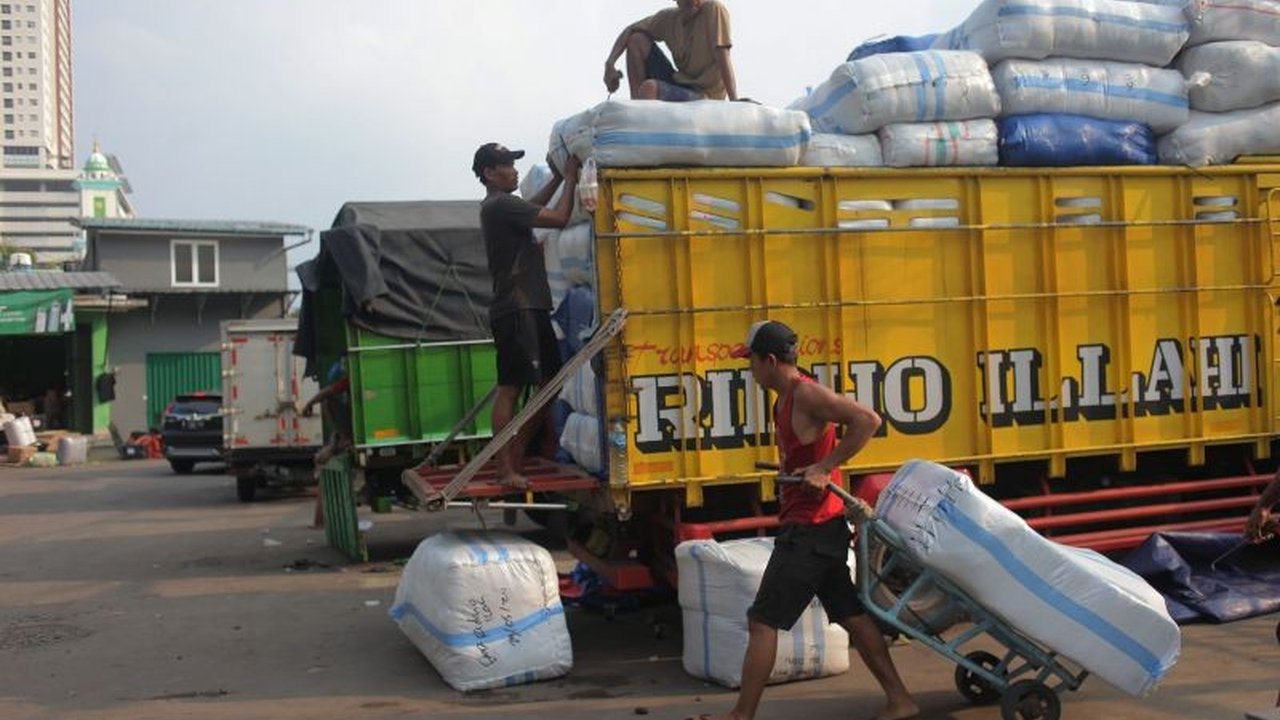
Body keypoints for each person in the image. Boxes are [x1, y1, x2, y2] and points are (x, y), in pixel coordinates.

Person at [694, 320, 917, 720]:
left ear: (771, 360)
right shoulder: (784, 399)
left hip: (810, 530)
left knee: (762, 621)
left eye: (752, 363)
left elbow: (868, 420)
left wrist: (825, 466)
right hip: (823, 526)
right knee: (851, 615)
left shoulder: (808, 394)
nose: (750, 371)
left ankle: (740, 716)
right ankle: (900, 699)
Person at [473, 142, 581, 490]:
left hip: (531, 306)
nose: (515, 170)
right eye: (506, 165)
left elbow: (533, 206)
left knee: (550, 384)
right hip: (516, 308)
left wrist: (557, 178)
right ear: (490, 173)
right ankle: (505, 469)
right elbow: (561, 218)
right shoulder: (499, 205)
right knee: (511, 389)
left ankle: (514, 457)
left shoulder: (504, 207)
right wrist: (573, 180)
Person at [603, 0, 738, 102]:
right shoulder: (669, 19)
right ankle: (637, 106)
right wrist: (610, 64)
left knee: (649, 88)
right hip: (681, 83)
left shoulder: (713, 10)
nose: (694, 2)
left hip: (705, 95)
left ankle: (644, 122)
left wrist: (734, 101)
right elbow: (630, 30)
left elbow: (723, 55)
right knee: (636, 39)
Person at [300, 361, 352, 529]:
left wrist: (309, 404)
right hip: (342, 438)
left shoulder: (348, 382)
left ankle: (321, 521)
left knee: (323, 463)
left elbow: (327, 392)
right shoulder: (343, 391)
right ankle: (321, 520)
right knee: (322, 462)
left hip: (345, 438)